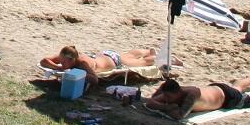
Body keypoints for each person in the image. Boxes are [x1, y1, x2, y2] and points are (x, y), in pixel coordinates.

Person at [145, 77, 250, 120]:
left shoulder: (191, 95)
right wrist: (165, 105)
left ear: (178, 92)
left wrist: (164, 107)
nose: (166, 99)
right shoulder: (170, 90)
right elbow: (150, 101)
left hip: (227, 98)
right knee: (236, 88)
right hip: (215, 89)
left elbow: (179, 116)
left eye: (168, 97)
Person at [39, 46, 178, 79]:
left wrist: (72, 73)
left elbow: (94, 79)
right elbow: (44, 61)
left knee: (142, 63)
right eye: (61, 61)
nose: (62, 63)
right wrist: (57, 66)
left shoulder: (82, 63)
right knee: (128, 56)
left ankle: (166, 58)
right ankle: (148, 50)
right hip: (104, 55)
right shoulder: (66, 56)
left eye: (64, 62)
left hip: (113, 60)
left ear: (72, 60)